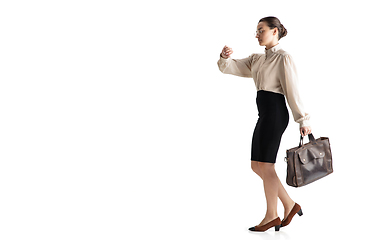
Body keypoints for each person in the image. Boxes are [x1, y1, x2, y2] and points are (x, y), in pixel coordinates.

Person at [217, 16, 312, 232]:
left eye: (261, 30)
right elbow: (230, 68)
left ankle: (272, 215)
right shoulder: (256, 59)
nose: (257, 34)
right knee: (256, 165)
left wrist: (303, 120)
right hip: (264, 114)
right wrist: (224, 57)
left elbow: (293, 90)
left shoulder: (284, 58)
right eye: (257, 31)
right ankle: (289, 205)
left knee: (266, 166)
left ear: (275, 31)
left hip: (276, 114)